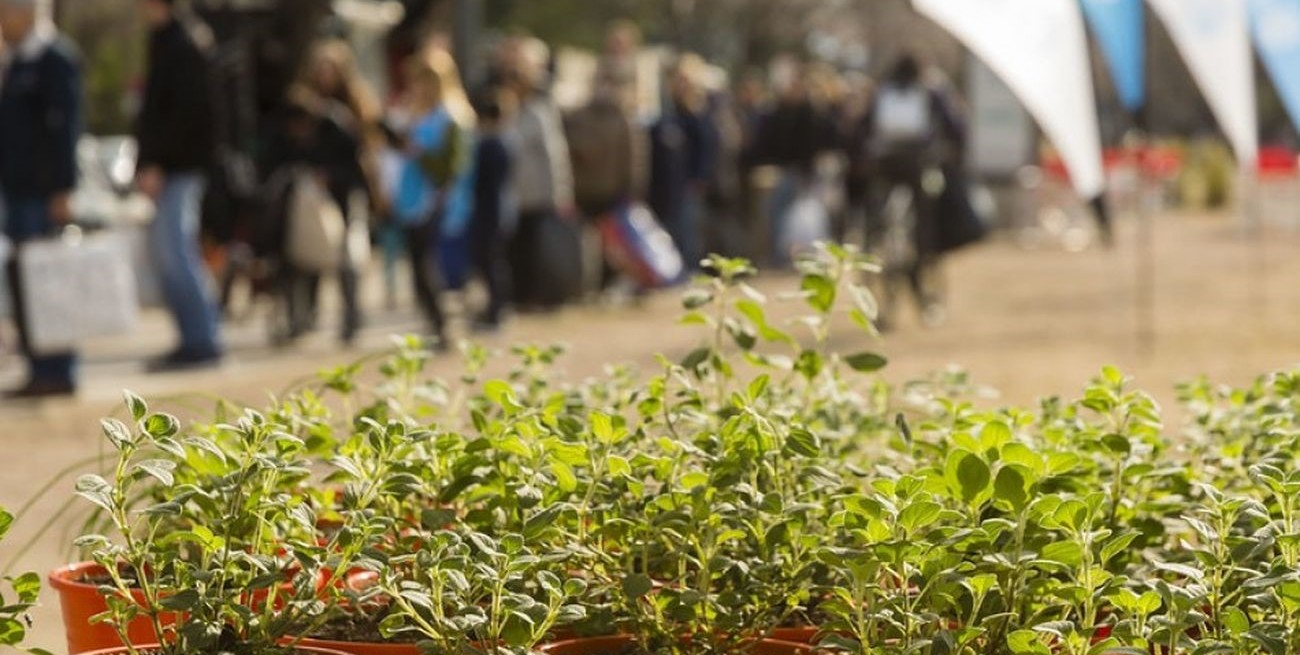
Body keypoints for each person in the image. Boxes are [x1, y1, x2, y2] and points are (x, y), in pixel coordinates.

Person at [0, 0, 82, 398]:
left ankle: (58, 369)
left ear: (25, 13)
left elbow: (66, 129)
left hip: (43, 194)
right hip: (17, 192)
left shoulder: (55, 59)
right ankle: (38, 367)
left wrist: (63, 189)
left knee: (50, 282)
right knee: (24, 283)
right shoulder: (16, 61)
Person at [136, 0, 224, 369]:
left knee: (177, 253)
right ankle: (192, 337)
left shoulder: (186, 43)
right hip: (171, 166)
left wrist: (157, 161)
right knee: (169, 254)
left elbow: (185, 116)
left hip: (181, 167)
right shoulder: (165, 39)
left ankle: (203, 339)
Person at [860, 53, 965, 328]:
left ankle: (875, 240)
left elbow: (863, 126)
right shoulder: (928, 91)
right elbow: (954, 127)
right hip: (917, 164)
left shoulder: (882, 91)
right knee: (924, 223)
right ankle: (923, 266)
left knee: (877, 221)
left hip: (883, 167)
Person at [292, 39, 383, 344]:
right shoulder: (307, 103)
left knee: (348, 255)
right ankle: (307, 315)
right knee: (312, 248)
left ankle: (351, 315)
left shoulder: (354, 105)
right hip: (317, 191)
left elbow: (364, 149)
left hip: (348, 187)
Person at [392, 47, 475, 347]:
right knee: (418, 268)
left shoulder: (450, 117)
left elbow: (453, 168)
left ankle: (444, 325)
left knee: (432, 268)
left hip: (436, 203)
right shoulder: (418, 114)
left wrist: (419, 153)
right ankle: (434, 323)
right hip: (413, 202)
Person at [500, 36, 574, 308]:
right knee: (514, 249)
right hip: (513, 195)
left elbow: (554, 154)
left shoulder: (540, 110)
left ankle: (536, 295)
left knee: (536, 249)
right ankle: (518, 295)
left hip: (538, 195)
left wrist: (561, 192)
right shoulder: (507, 110)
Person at [468, 86, 516, 330]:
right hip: (500, 209)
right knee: (494, 262)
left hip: (489, 212)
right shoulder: (504, 143)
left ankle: (496, 309)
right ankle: (496, 308)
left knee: (490, 263)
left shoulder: (490, 145)